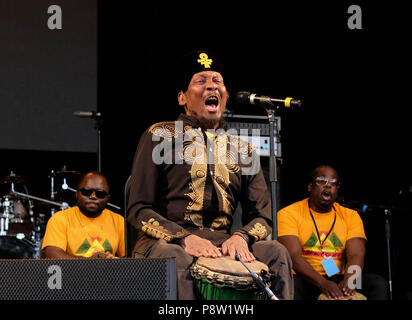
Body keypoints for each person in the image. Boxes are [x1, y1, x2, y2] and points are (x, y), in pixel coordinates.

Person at [126, 49, 294, 300]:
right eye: (201, 81)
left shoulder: (242, 149)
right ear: (182, 97)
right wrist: (184, 238)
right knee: (176, 258)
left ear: (225, 96)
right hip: (167, 242)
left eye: (217, 81)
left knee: (276, 252)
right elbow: (138, 208)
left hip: (223, 241)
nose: (211, 87)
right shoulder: (160, 135)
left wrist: (241, 236)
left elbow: (263, 215)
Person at [277, 165, 388, 300]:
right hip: (304, 278)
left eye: (333, 183)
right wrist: (322, 283)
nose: (328, 186)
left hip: (339, 278)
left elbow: (356, 254)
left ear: (337, 189)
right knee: (290, 284)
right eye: (321, 181)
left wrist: (351, 279)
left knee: (376, 283)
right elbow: (293, 257)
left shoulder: (351, 215)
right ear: (310, 187)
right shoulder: (288, 214)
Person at [42, 171, 125, 259]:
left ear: (107, 198)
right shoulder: (60, 219)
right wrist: (89, 264)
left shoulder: (118, 221)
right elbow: (53, 256)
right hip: (70, 272)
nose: (93, 196)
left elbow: (131, 260)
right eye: (86, 192)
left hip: (110, 272)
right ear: (77, 194)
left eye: (100, 194)